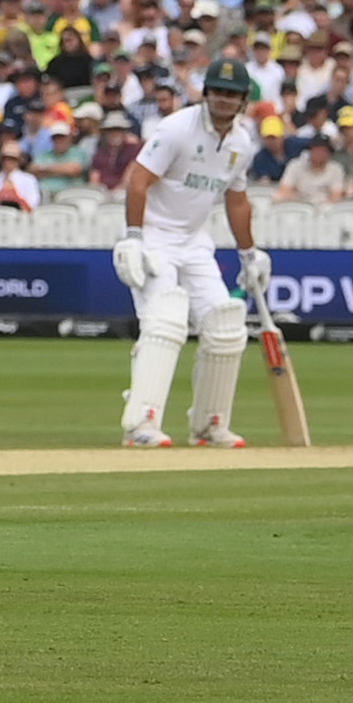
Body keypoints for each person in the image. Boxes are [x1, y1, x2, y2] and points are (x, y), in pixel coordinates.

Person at [114, 69, 266, 448]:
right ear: (206, 93)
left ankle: (210, 424)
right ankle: (141, 424)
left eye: (232, 93)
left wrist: (249, 254)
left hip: (194, 241)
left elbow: (236, 200)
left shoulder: (242, 142)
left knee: (225, 324)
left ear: (243, 99)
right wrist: (134, 237)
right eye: (217, 91)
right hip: (154, 236)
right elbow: (138, 180)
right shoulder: (176, 129)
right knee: (164, 323)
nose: (224, 99)